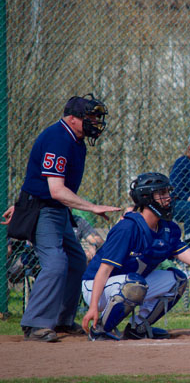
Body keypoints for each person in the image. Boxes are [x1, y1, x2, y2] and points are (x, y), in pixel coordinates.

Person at [1, 94, 120, 342]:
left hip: (57, 210)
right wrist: (92, 207)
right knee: (55, 263)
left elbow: (37, 177)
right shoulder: (58, 138)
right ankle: (35, 324)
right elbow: (55, 190)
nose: (95, 121)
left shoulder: (75, 140)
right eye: (90, 116)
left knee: (76, 260)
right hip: (44, 210)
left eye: (97, 116)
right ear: (73, 118)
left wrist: (18, 202)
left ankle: (62, 320)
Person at [81, 172, 190, 340]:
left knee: (177, 280)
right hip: (96, 286)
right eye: (162, 193)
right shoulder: (128, 228)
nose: (168, 197)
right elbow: (104, 271)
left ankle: (138, 328)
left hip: (130, 284)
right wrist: (92, 308)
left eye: (167, 192)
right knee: (134, 284)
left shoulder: (167, 228)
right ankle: (100, 329)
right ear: (146, 197)